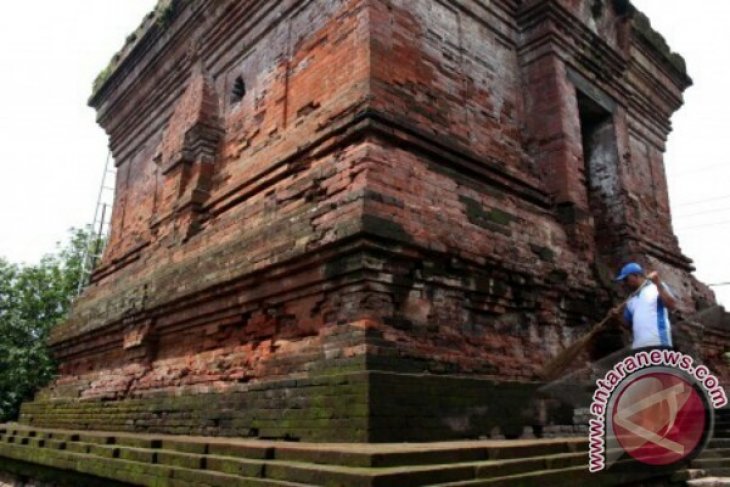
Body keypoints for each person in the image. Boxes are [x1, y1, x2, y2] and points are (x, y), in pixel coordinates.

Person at [611, 262, 678, 350]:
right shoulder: (630, 299)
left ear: (636, 276)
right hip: (638, 347)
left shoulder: (655, 288)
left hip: (658, 342)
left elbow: (672, 305)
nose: (624, 283)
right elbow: (627, 324)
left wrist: (658, 283)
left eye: (626, 279)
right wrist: (617, 317)